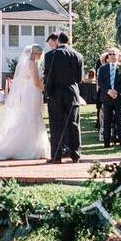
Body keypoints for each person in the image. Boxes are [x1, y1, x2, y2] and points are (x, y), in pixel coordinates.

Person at [0, 44, 50, 161]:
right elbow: (36, 82)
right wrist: (46, 88)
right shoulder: (32, 63)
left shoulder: (29, 64)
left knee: (32, 116)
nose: (41, 56)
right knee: (33, 116)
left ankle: (33, 145)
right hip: (33, 92)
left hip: (31, 92)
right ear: (36, 54)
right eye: (40, 54)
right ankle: (32, 147)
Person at [44, 32, 84, 163]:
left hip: (56, 93)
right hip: (72, 92)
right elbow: (79, 78)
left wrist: (47, 94)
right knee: (74, 124)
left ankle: (57, 155)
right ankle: (75, 154)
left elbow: (49, 77)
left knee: (56, 124)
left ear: (58, 41)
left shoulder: (51, 55)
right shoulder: (78, 55)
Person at [97, 47, 121, 149]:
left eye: (113, 54)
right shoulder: (102, 69)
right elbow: (101, 82)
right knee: (107, 120)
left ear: (118, 55)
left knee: (120, 119)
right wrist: (109, 91)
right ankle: (106, 143)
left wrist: (116, 91)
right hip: (107, 97)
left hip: (119, 97)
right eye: (109, 54)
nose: (111, 56)